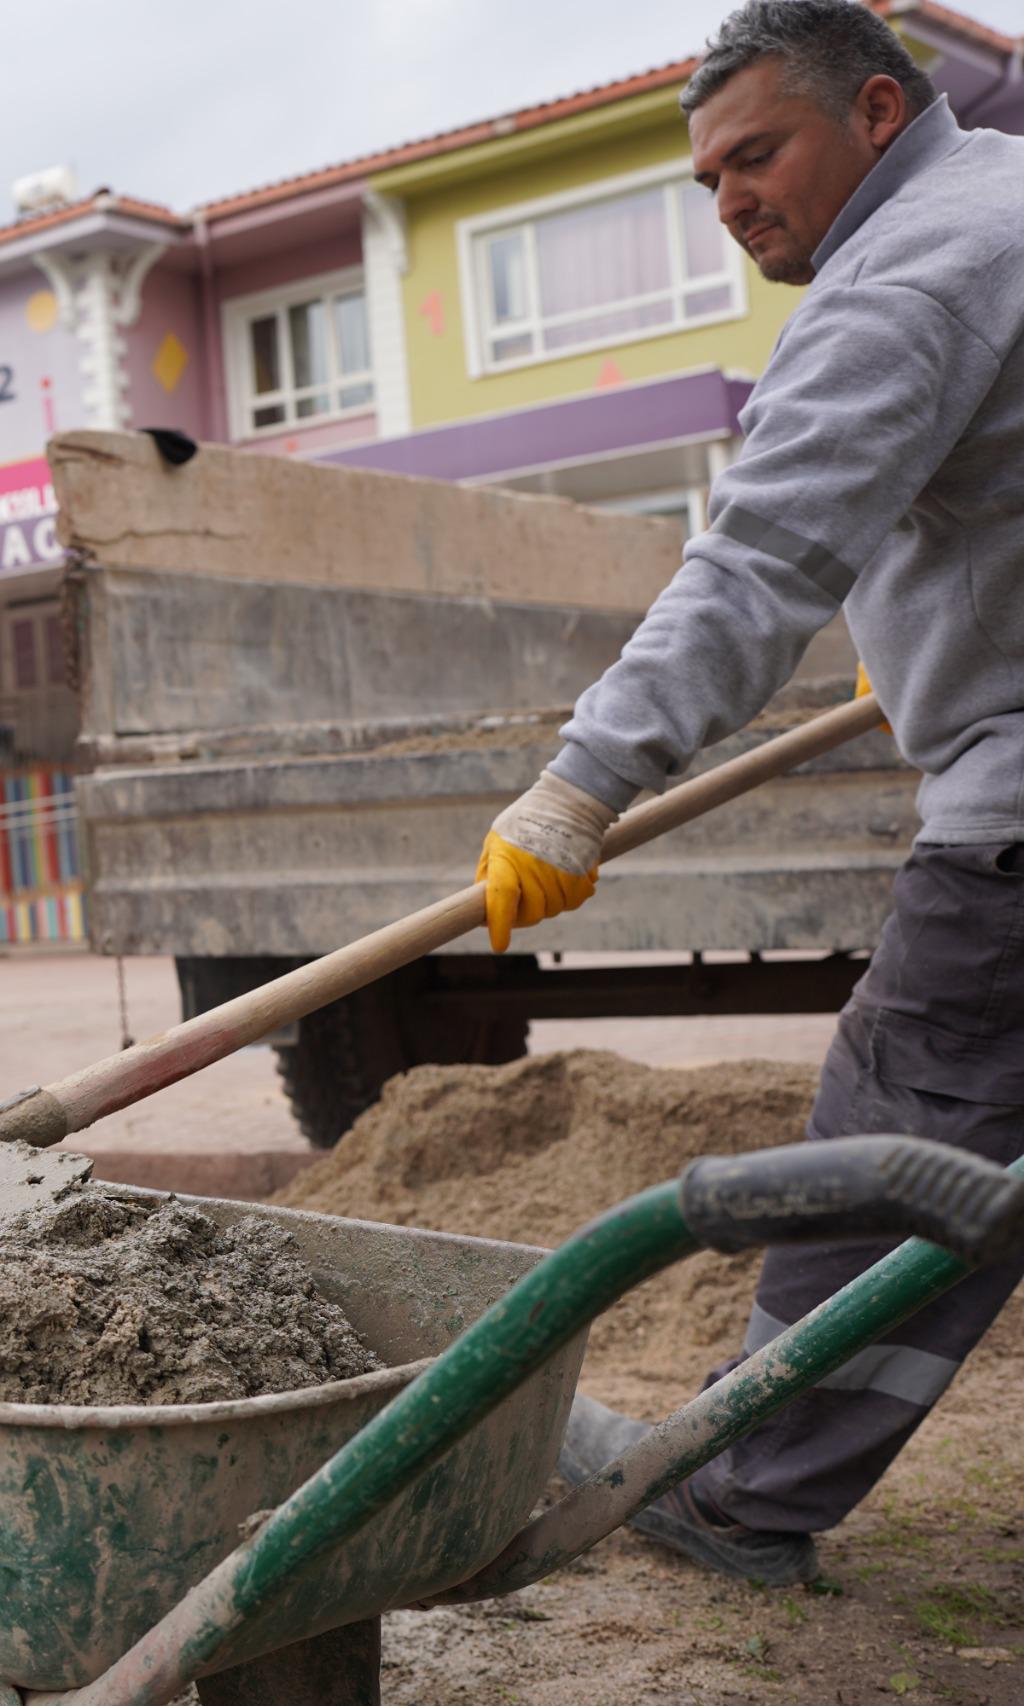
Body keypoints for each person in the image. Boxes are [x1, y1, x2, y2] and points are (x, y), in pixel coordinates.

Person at [477, 0, 1024, 1587]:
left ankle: (739, 1482)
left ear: (874, 108)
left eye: (758, 154)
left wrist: (580, 784)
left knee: (902, 1135)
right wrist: (947, 634)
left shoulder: (905, 281)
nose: (731, 203)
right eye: (707, 180)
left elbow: (761, 557)